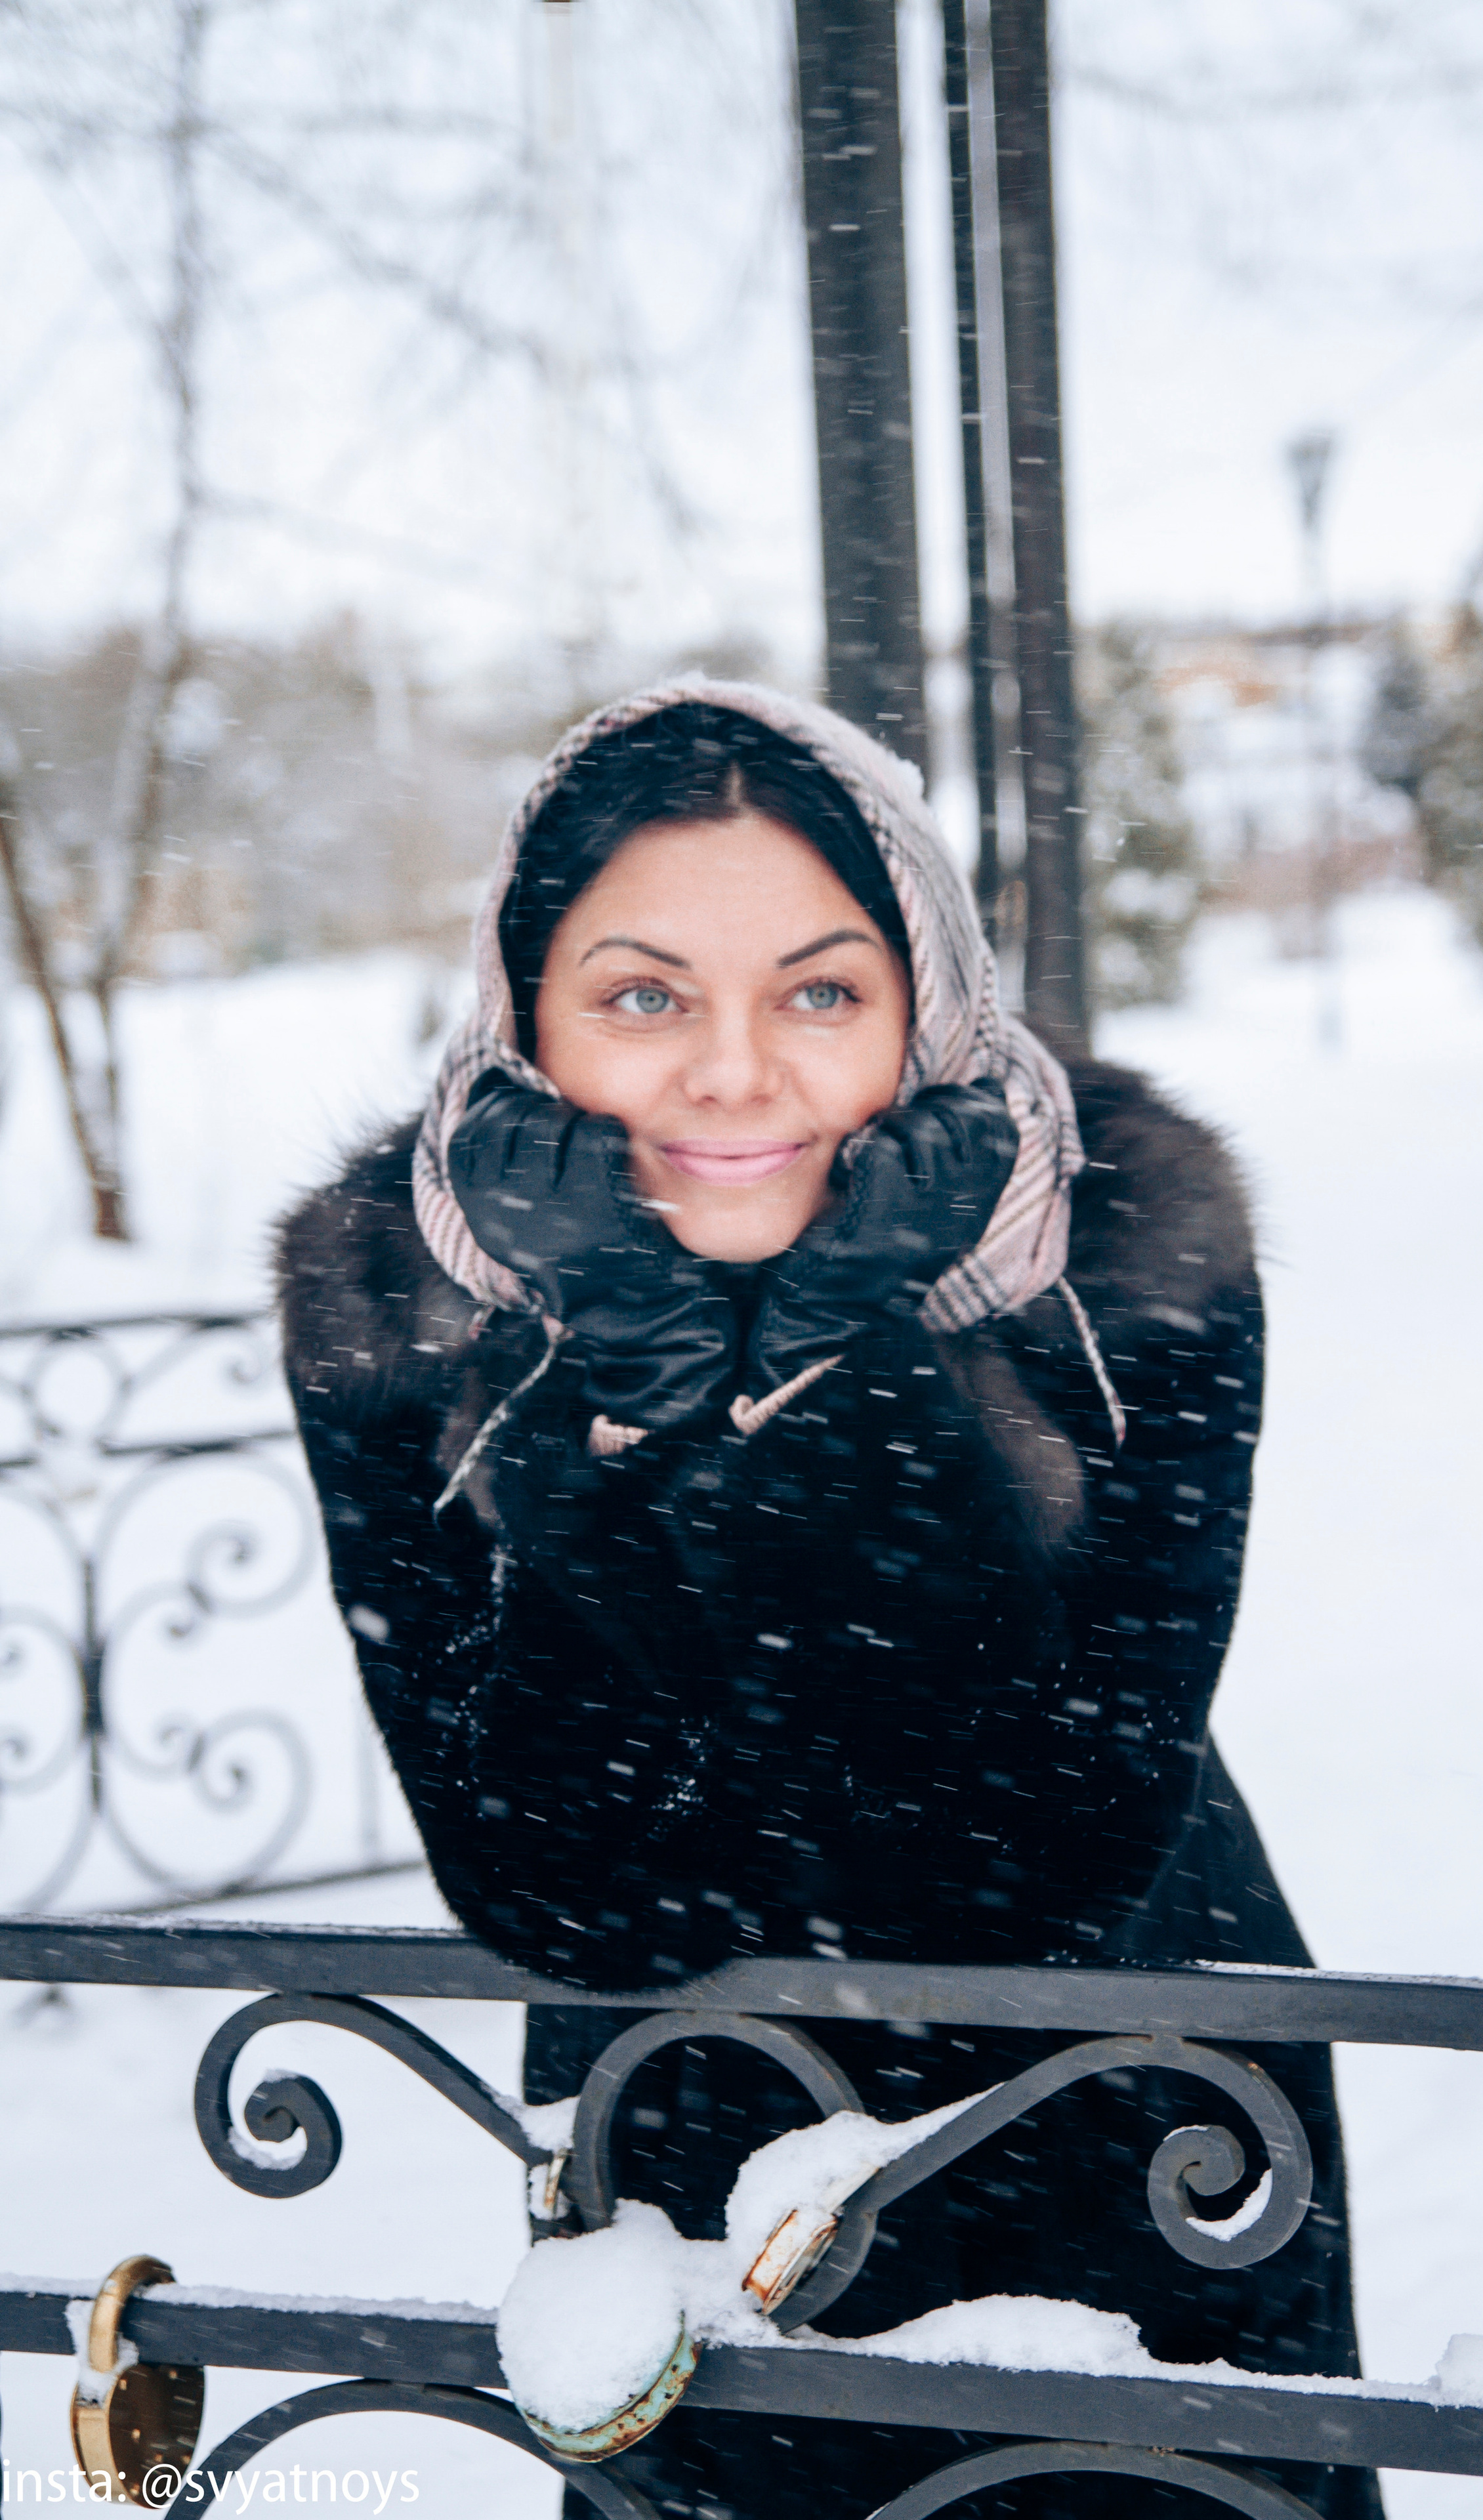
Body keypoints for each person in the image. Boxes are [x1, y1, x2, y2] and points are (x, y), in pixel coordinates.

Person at [276, 678, 1381, 2519]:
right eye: (643, 996)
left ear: (919, 997)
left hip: (1124, 2125)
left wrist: (824, 1374)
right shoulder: (411, 1301)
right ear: (528, 1017)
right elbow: (556, 1874)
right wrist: (627, 1380)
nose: (731, 1070)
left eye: (818, 991)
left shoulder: (1121, 1248)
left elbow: (1038, 1855)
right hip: (690, 2139)